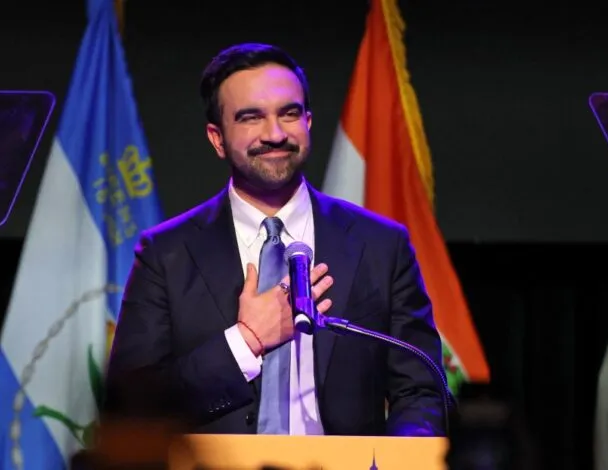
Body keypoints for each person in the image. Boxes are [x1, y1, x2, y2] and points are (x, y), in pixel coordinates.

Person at [104, 42, 446, 437]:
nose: (275, 133)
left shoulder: (381, 246)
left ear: (309, 123)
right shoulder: (166, 255)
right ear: (217, 138)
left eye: (290, 113)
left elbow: (421, 391)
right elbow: (131, 409)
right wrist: (245, 341)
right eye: (251, 117)